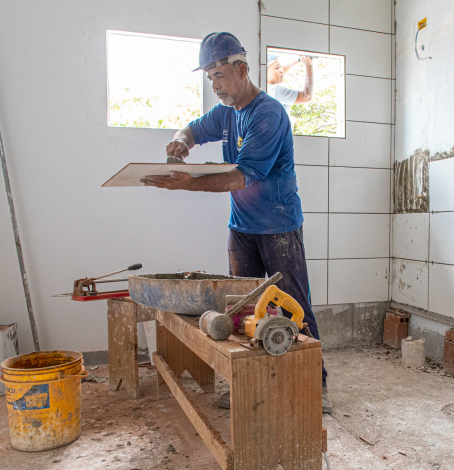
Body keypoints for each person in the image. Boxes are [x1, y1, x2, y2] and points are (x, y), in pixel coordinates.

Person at [140, 32, 332, 414]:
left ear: (242, 70)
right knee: (241, 307)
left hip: (278, 226)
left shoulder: (268, 114)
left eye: (219, 75)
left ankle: (315, 385)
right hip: (241, 227)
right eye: (209, 78)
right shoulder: (227, 112)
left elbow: (240, 177)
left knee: (292, 305)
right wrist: (182, 141)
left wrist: (188, 184)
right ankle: (248, 382)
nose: (214, 85)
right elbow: (192, 128)